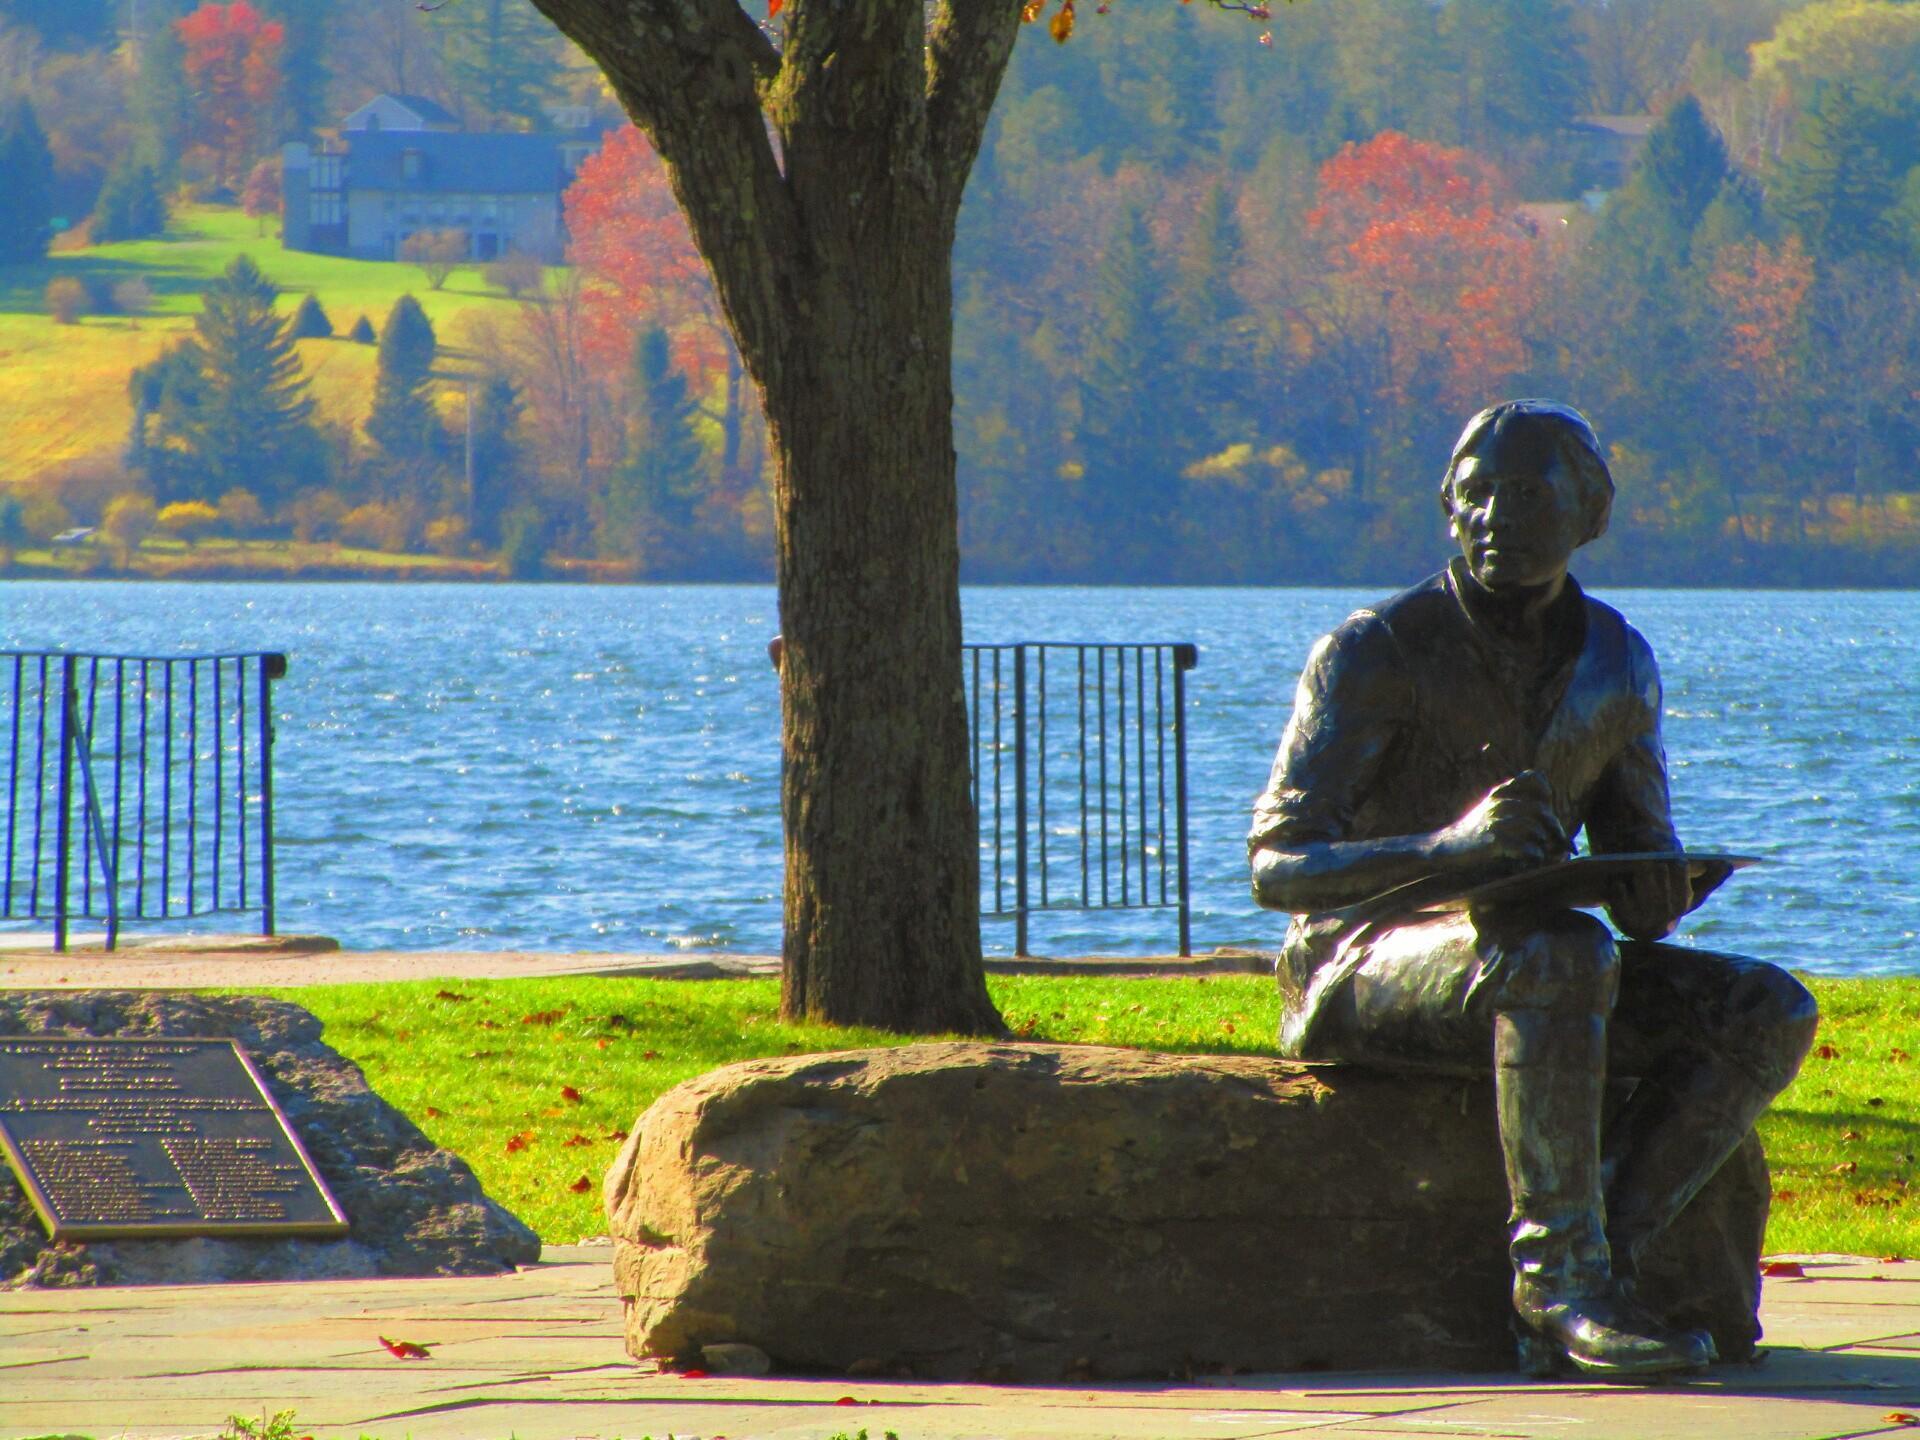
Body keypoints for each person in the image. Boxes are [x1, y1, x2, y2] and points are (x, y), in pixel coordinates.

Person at [1248, 400, 1818, 1379]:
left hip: (1527, 963)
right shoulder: (1376, 648)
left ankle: (1613, 1256)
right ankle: (1556, 1285)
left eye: (1526, 495)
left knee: (1764, 1006)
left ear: (1587, 514)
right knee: (1561, 951)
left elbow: (1639, 860)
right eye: (1475, 497)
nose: (1496, 517)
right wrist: (1448, 847)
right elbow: (1277, 865)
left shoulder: (1618, 661)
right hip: (1362, 957)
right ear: (1447, 511)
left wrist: (1661, 890)